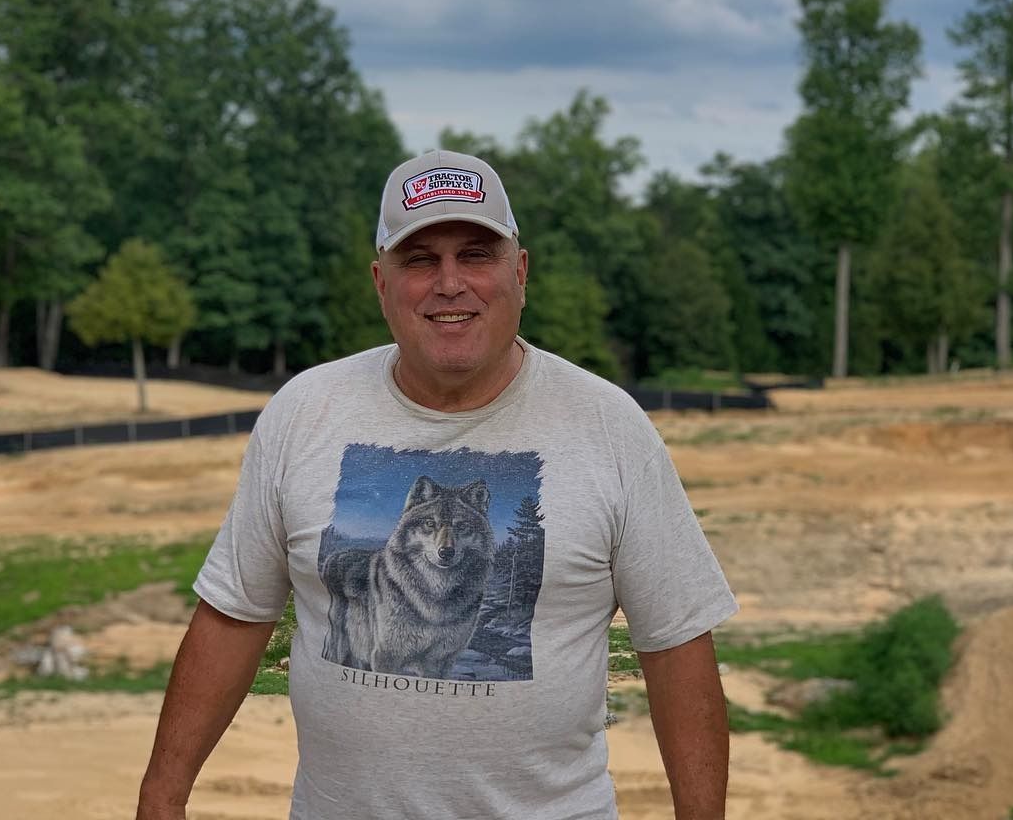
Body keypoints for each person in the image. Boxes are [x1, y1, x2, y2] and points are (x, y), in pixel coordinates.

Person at [137, 149, 739, 820]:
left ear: (520, 271)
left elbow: (676, 643)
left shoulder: (611, 427)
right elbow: (234, 614)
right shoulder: (304, 412)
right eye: (419, 259)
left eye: (476, 254)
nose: (450, 283)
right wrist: (162, 795)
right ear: (380, 282)